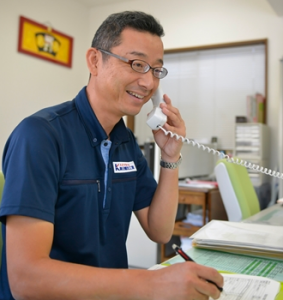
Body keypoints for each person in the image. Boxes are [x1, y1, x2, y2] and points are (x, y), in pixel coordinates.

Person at [0, 11, 223, 300]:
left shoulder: (124, 141)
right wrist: (151, 284)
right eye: (137, 64)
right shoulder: (40, 136)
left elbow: (160, 231)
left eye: (156, 70)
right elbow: (26, 279)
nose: (148, 83)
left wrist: (170, 157)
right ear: (95, 60)